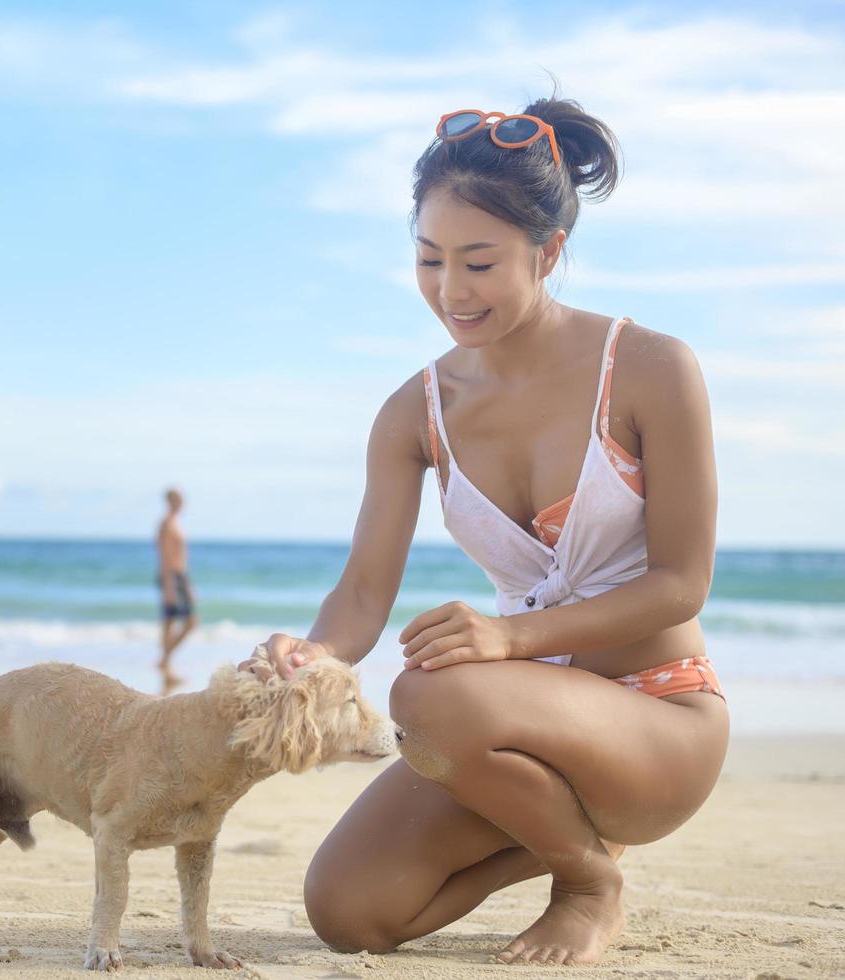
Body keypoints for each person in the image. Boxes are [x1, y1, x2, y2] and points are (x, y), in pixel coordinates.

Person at [238, 94, 727, 966]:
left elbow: (680, 583)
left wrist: (508, 636)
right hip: (512, 739)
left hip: (659, 725)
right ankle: (564, 832)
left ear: (548, 252)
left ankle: (586, 880)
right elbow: (359, 596)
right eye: (428, 260)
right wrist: (306, 657)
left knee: (426, 691)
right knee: (347, 911)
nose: (450, 291)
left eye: (479, 262)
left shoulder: (650, 368)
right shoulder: (411, 413)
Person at [156, 487, 198, 692]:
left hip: (178, 576)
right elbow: (164, 557)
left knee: (171, 623)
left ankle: (166, 668)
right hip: (172, 577)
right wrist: (168, 585)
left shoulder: (174, 523)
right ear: (170, 501)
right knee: (187, 621)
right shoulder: (166, 524)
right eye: (178, 499)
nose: (182, 503)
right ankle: (165, 663)